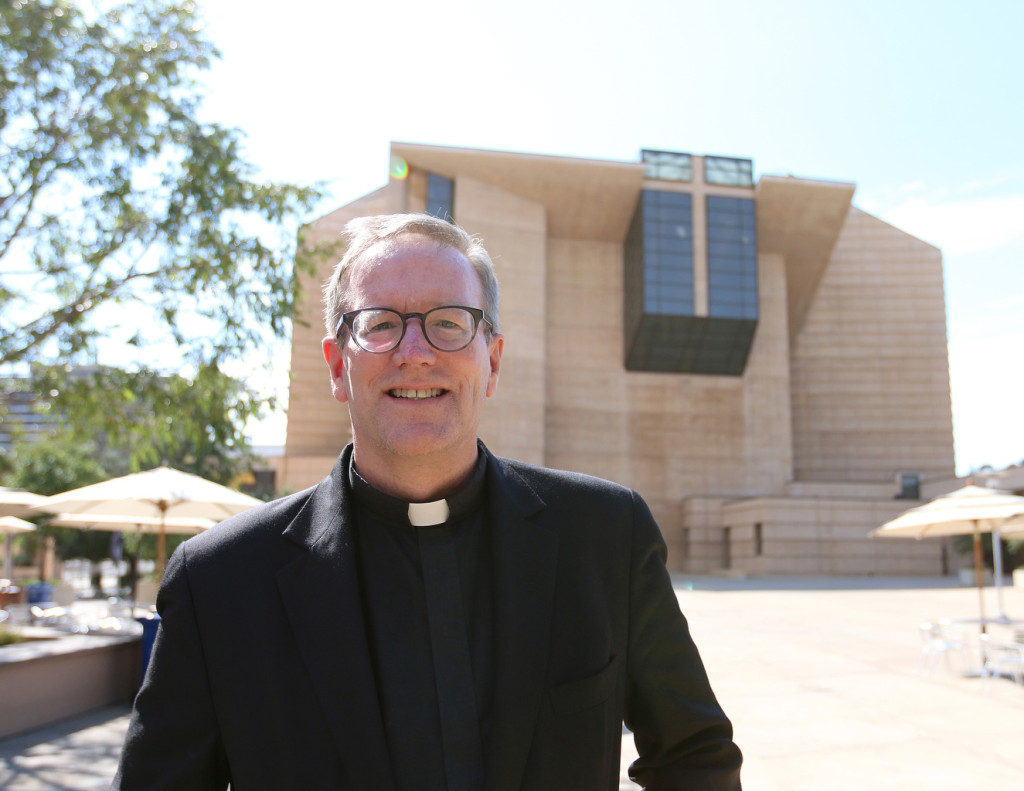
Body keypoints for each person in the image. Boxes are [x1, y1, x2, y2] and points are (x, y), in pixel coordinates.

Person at [112, 213, 742, 790]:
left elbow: (694, 756)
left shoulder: (605, 535)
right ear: (337, 366)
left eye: (448, 323)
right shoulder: (219, 581)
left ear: (490, 360)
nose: (415, 352)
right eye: (380, 324)